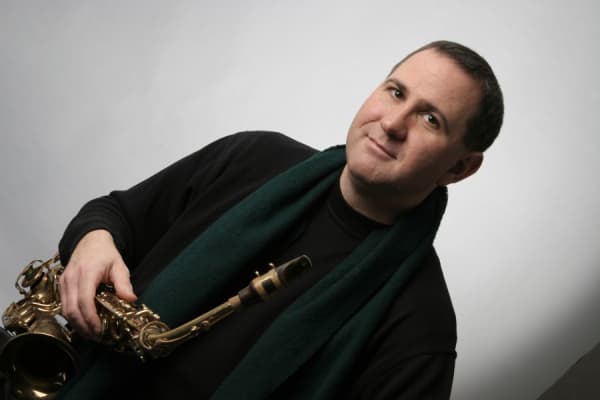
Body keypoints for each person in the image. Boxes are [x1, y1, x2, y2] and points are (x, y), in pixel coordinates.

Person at [54, 40, 503, 399]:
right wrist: (94, 240)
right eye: (396, 92)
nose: (393, 124)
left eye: (430, 119)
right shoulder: (253, 156)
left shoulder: (421, 328)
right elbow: (115, 213)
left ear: (459, 168)